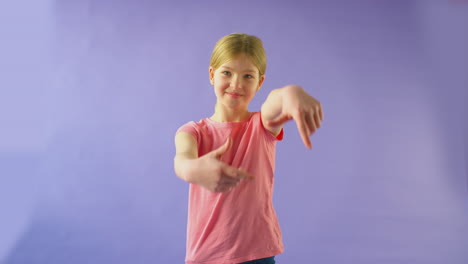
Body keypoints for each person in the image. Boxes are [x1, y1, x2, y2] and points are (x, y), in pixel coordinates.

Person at [174, 33, 323, 264]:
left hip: (257, 256)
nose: (236, 84)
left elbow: (275, 102)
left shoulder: (263, 124)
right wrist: (192, 170)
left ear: (259, 82)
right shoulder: (193, 131)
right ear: (212, 75)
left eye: (247, 76)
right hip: (206, 256)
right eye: (227, 73)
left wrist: (289, 93)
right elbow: (182, 160)